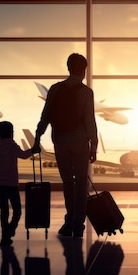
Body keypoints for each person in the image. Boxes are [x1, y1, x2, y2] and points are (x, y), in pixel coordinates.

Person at [34, 53, 98, 239]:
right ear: (84, 71)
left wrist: (37, 137)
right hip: (80, 143)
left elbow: (45, 116)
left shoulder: (55, 89)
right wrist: (93, 144)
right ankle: (78, 224)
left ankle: (69, 221)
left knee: (68, 183)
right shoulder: (86, 92)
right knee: (81, 184)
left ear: (68, 68)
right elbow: (89, 121)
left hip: (60, 141)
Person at [0, 120, 37, 247]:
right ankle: (10, 230)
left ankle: (5, 236)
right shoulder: (13, 146)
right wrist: (33, 150)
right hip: (12, 185)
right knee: (17, 211)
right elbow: (24, 155)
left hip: (0, 185)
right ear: (11, 133)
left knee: (4, 212)